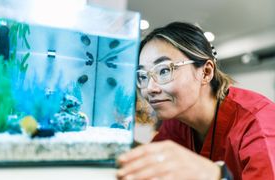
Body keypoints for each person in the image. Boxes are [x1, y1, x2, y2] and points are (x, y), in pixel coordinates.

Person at [116, 22, 275, 180]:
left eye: (164, 70)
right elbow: (153, 165)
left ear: (206, 72)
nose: (150, 88)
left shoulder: (258, 123)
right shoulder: (177, 120)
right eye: (143, 76)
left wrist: (218, 176)